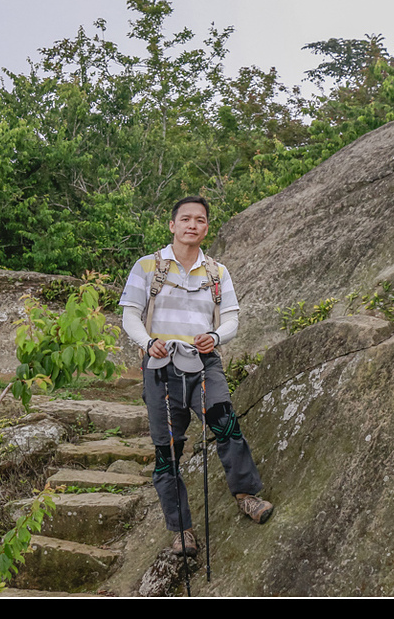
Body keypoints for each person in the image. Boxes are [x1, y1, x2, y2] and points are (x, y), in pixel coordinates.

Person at [119, 195, 273, 557]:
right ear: (172, 225)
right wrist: (148, 342)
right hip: (160, 367)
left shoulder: (217, 272)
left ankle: (246, 496)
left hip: (204, 363)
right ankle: (181, 530)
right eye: (186, 219)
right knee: (167, 449)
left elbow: (231, 318)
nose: (193, 225)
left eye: (200, 220)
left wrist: (215, 337)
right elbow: (129, 315)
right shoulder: (147, 266)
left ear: (206, 228)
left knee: (226, 425)